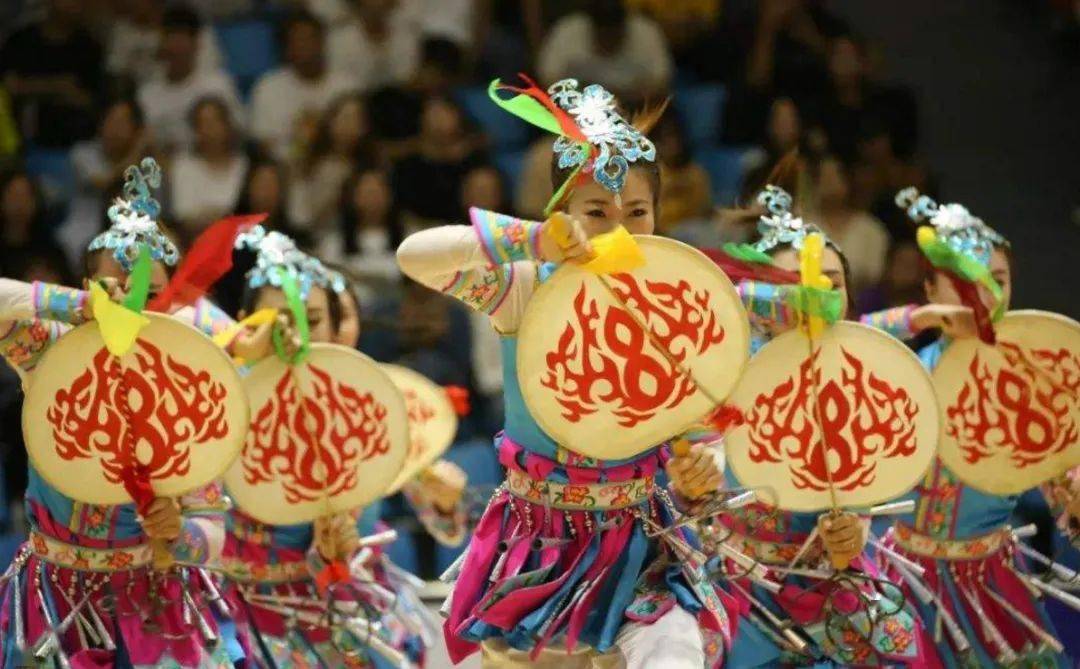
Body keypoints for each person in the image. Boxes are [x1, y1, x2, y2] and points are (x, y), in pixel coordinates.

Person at [397, 77, 735, 668]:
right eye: (596, 212)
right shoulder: (525, 288)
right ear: (563, 215)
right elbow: (415, 256)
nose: (618, 230)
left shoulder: (683, 300)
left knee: (676, 649)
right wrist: (529, 241)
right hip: (530, 547)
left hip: (638, 550)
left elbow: (705, 431)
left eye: (637, 212)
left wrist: (708, 465)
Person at [0, 157, 245, 667]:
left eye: (151, 293)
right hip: (56, 596)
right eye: (113, 288)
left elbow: (213, 529)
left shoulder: (191, 374)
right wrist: (74, 308)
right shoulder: (49, 351)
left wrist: (178, 531)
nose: (131, 306)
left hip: (155, 603)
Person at [711, 184, 930, 666]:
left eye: (832, 284)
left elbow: (875, 472)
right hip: (739, 585)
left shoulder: (867, 370)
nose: (817, 299)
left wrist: (855, 527)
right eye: (794, 287)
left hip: (837, 575)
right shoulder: (725, 369)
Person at [219, 226, 450, 668]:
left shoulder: (371, 397)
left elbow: (446, 528)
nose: (295, 334)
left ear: (336, 324)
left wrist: (444, 501)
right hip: (255, 624)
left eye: (311, 318)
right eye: (278, 319)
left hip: (358, 617)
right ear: (246, 325)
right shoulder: (220, 408)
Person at [871, 188, 1069, 668]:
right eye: (963, 282)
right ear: (931, 291)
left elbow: (1064, 475)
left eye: (997, 280)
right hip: (905, 578)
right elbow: (843, 337)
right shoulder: (903, 371)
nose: (984, 295)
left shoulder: (1035, 379)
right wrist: (917, 320)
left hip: (993, 582)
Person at [249, 11, 357, 162]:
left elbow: (359, 141)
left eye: (310, 38)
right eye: (297, 40)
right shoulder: (268, 87)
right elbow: (264, 145)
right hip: (286, 172)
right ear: (287, 48)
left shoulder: (346, 86)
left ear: (323, 42)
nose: (305, 46)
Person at [136, 6, 243, 155]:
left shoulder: (219, 86)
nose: (175, 48)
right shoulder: (146, 94)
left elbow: (238, 135)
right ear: (161, 43)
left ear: (197, 44)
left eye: (181, 41)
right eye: (170, 39)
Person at [0, 0, 103, 147]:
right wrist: (57, 87)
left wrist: (31, 87)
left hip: (76, 145)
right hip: (21, 142)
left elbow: (91, 102)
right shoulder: (21, 41)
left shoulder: (89, 47)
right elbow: (10, 87)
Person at [61, 98, 149, 267]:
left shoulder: (145, 162)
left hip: (130, 232)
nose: (116, 129)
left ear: (136, 129)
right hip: (82, 230)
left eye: (123, 122)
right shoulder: (82, 153)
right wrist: (137, 150)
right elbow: (104, 183)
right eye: (111, 120)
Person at [537, 0, 673, 103]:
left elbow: (661, 85)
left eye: (613, 33)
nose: (609, 39)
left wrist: (622, 98)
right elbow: (548, 82)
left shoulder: (646, 33)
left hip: (634, 118)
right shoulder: (567, 33)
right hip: (577, 119)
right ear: (591, 26)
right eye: (604, 33)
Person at [391, 94, 486, 227]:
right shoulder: (409, 164)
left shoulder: (474, 159)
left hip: (469, 228)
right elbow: (403, 211)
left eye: (444, 112)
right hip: (421, 231)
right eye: (433, 114)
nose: (439, 120)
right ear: (422, 120)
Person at [805, 153, 889, 294]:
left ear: (849, 181)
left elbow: (877, 277)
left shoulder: (871, 229)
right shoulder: (802, 226)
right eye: (823, 177)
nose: (828, 183)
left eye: (833, 176)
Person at [289, 93, 374, 233]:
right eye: (345, 118)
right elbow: (302, 218)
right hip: (319, 236)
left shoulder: (372, 166)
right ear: (330, 122)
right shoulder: (310, 165)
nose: (350, 125)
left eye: (357, 119)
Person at [170, 97, 249, 238]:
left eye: (214, 122)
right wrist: (227, 215)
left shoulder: (244, 165)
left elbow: (250, 215)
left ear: (228, 125)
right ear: (195, 130)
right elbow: (185, 219)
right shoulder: (183, 166)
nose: (209, 129)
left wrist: (209, 214)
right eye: (203, 123)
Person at [106, 0, 223, 86]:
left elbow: (210, 73)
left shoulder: (193, 27)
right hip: (152, 95)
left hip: (199, 93)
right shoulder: (122, 32)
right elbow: (116, 75)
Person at [326, 0, 421, 91]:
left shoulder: (406, 33)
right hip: (356, 100)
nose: (378, 3)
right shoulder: (340, 40)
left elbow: (409, 75)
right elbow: (340, 82)